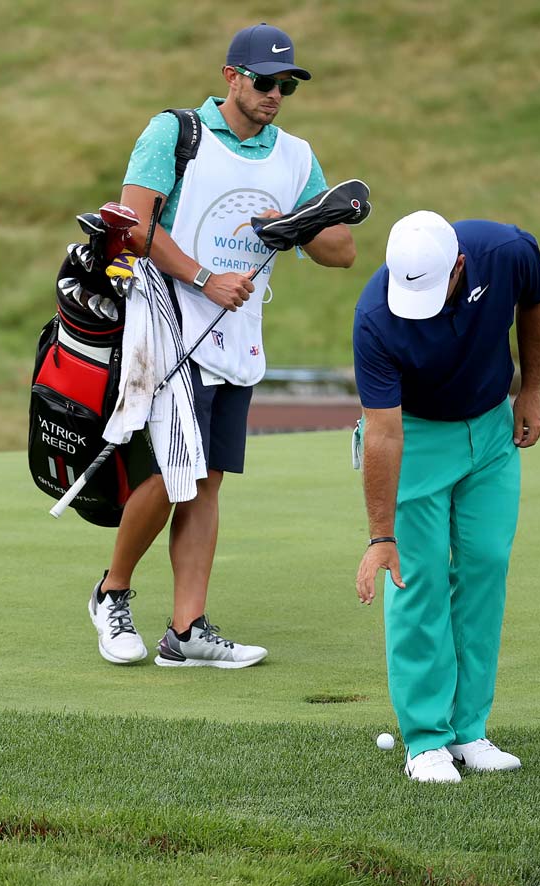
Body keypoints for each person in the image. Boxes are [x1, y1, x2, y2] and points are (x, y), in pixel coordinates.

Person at [86, 23, 356, 668]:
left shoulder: (296, 157)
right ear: (231, 77)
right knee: (170, 474)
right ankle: (111, 592)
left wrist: (298, 227)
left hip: (236, 341)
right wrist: (204, 277)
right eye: (264, 81)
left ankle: (186, 632)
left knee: (206, 482)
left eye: (287, 85)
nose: (275, 94)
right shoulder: (175, 133)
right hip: (166, 327)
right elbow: (131, 223)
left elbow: (342, 250)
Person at [351, 211, 540, 782]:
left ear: (460, 267)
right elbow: (383, 433)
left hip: (490, 432)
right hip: (416, 438)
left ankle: (469, 730)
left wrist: (533, 389)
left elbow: (537, 301)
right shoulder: (375, 317)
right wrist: (381, 537)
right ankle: (425, 740)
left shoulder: (506, 250)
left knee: (486, 566)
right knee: (417, 579)